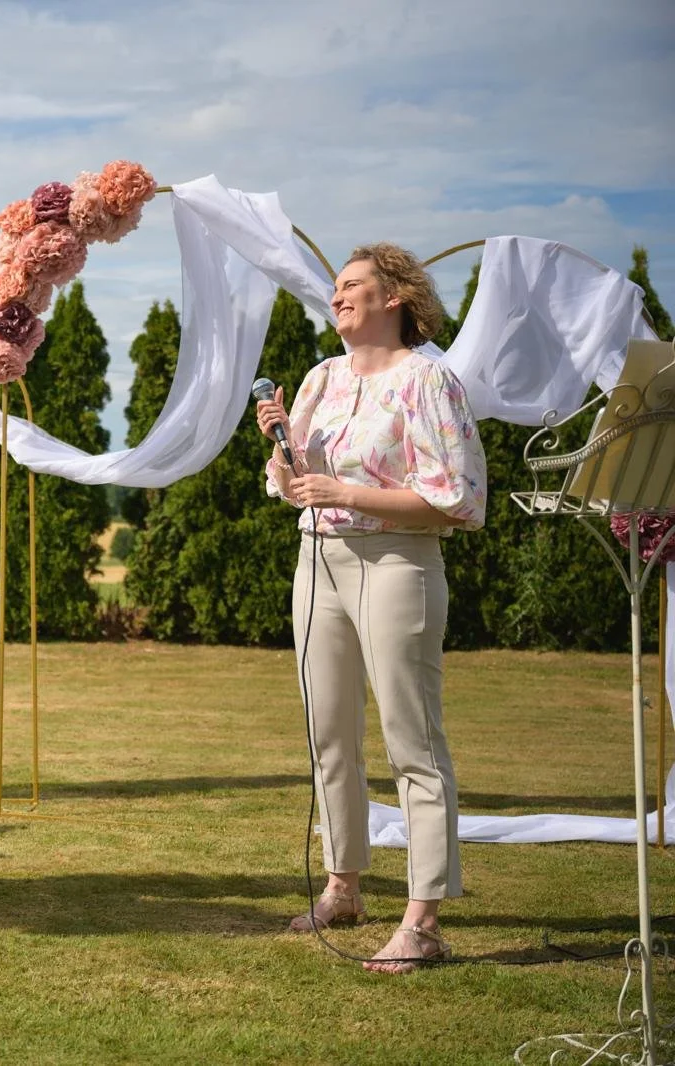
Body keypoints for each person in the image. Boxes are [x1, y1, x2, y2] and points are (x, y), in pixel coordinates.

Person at [256, 242, 486, 973]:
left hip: (397, 563)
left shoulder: (430, 381)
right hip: (317, 561)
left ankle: (423, 921)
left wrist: (347, 493)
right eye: (334, 287)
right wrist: (285, 458)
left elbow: (459, 501)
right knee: (329, 733)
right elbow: (296, 485)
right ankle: (343, 887)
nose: (337, 295)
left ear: (396, 297)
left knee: (411, 741)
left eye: (352, 285)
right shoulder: (321, 378)